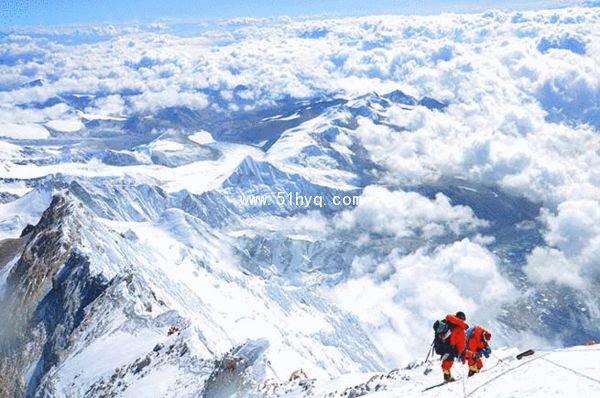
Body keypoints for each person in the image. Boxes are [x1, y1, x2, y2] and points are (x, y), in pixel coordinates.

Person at [440, 311, 469, 382]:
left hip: (451, 346)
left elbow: (460, 341)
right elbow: (458, 340)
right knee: (449, 360)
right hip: (451, 346)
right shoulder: (455, 324)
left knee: (449, 360)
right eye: (463, 319)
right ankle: (447, 376)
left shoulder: (456, 325)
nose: (463, 321)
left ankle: (447, 376)